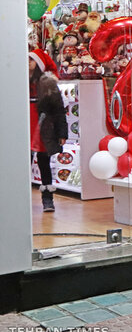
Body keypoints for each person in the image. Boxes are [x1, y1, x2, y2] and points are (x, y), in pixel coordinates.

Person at [28, 50, 68, 212]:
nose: (28, 62)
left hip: (43, 127)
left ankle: (47, 199)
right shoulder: (19, 81)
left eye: (31, 60)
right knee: (23, 163)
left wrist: (62, 133)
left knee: (44, 162)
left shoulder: (48, 83)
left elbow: (59, 109)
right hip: (25, 127)